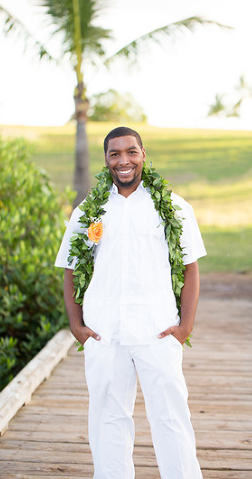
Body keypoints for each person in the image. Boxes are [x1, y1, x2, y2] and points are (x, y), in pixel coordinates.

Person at [55, 126, 206, 479]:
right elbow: (70, 270)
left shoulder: (173, 207)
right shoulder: (89, 211)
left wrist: (184, 327)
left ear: (143, 155)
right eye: (115, 154)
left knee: (171, 418)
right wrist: (77, 327)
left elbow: (191, 268)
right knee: (108, 420)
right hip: (104, 333)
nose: (124, 161)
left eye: (131, 152)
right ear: (106, 160)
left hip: (158, 330)